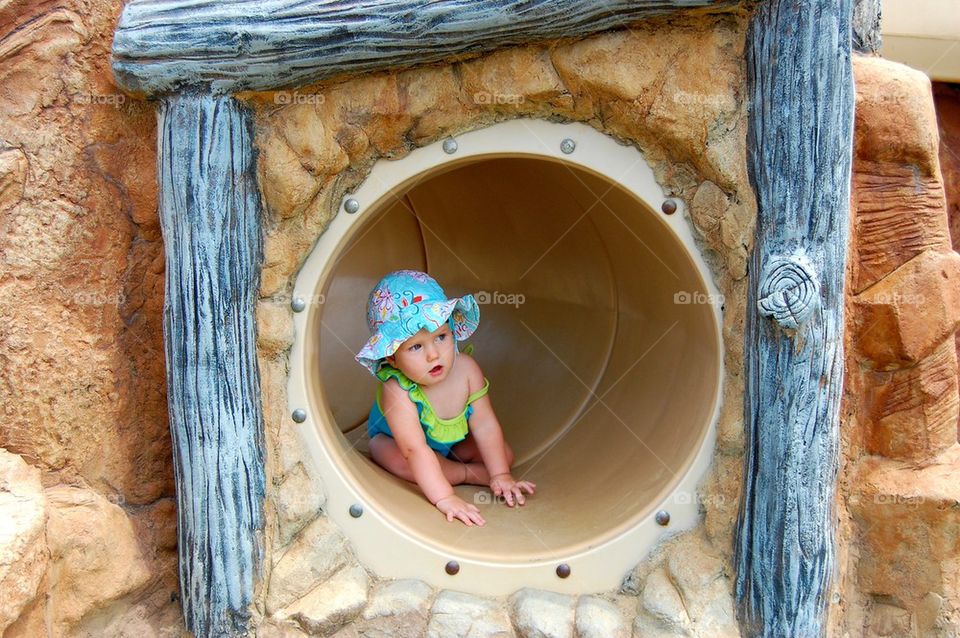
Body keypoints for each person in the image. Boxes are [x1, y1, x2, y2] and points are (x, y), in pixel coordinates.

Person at [355, 270, 535, 526]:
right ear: (391, 357)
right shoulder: (398, 390)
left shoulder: (467, 369)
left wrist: (501, 475)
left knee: (504, 455)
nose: (433, 355)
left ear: (452, 331)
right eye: (416, 347)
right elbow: (414, 450)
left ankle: (474, 472)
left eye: (440, 337)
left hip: (451, 445)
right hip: (400, 445)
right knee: (388, 454)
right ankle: (465, 474)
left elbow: (484, 425)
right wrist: (446, 497)